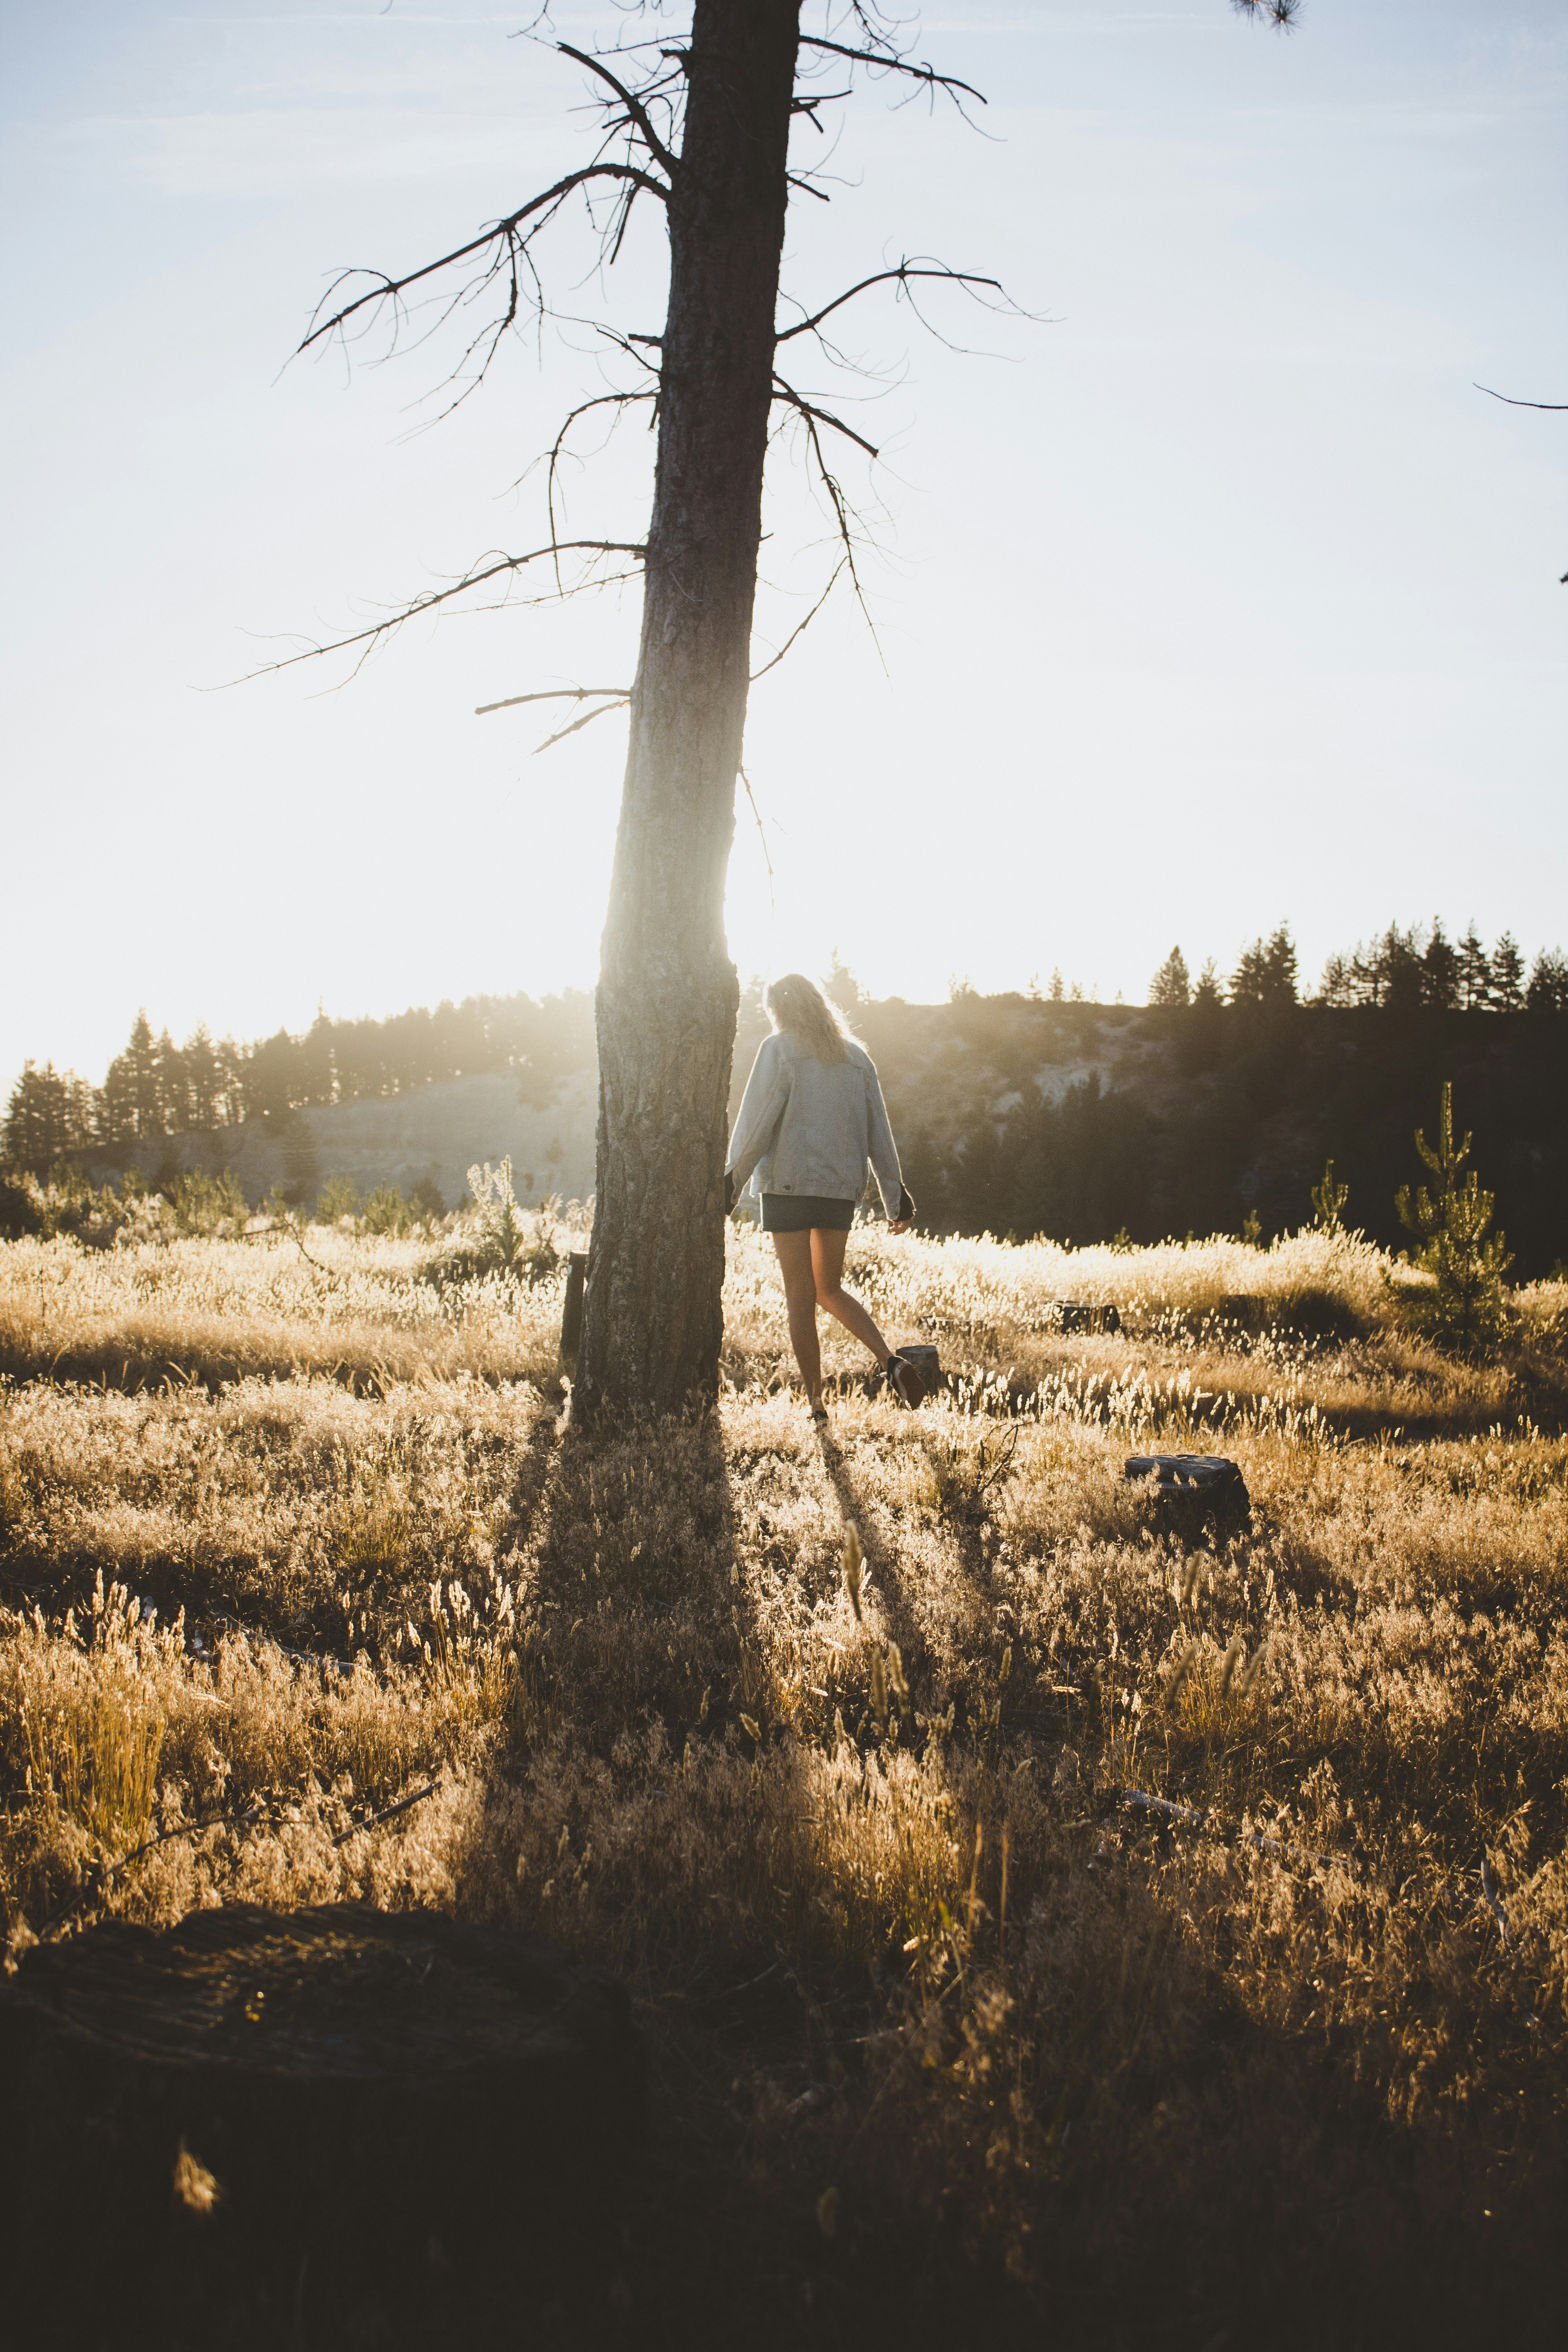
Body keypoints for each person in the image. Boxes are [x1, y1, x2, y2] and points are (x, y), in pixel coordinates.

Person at [725, 972, 926, 1419]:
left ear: (779, 1009)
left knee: (801, 1297)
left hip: (788, 1186)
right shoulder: (856, 1059)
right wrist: (897, 1197)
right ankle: (890, 1360)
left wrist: (731, 1183)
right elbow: (880, 1131)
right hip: (838, 1193)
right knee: (830, 1289)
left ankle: (817, 1406)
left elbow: (757, 1124)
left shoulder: (779, 1049)